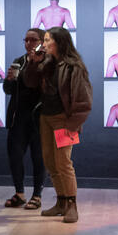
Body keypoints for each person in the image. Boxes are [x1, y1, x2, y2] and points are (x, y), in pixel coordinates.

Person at [29, 26, 92, 223]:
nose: (44, 44)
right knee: (50, 162)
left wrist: (72, 124)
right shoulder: (47, 63)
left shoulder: (74, 66)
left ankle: (72, 205)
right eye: (44, 40)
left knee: (64, 163)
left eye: (48, 40)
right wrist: (33, 62)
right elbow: (30, 82)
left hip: (64, 120)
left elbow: (84, 101)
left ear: (60, 42)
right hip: (45, 119)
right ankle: (61, 202)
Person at [1, 28, 46, 211]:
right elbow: (8, 90)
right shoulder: (18, 61)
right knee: (15, 155)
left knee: (39, 156)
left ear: (42, 42)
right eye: (26, 40)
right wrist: (10, 80)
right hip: (18, 116)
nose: (28, 43)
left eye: (33, 40)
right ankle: (19, 193)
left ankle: (37, 195)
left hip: (39, 116)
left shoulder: (47, 62)